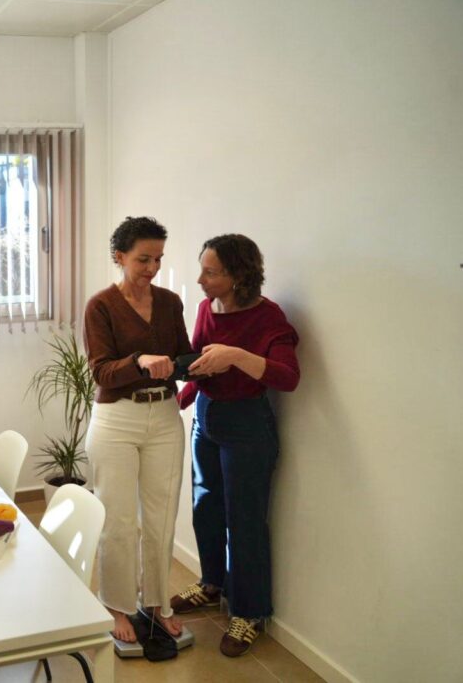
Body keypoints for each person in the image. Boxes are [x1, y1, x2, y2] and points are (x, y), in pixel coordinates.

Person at [172, 234, 300, 657]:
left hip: (247, 425)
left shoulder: (269, 317)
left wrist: (236, 355)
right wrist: (177, 404)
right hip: (207, 418)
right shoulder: (208, 308)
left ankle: (248, 613)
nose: (200, 279)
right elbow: (199, 365)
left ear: (238, 275)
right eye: (202, 269)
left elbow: (288, 376)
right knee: (205, 507)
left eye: (210, 272)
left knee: (244, 522)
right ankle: (212, 583)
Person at [83, 216, 193, 645]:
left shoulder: (169, 302)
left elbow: (181, 355)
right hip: (117, 420)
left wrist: (199, 362)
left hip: (164, 417)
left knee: (162, 519)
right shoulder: (101, 306)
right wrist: (140, 361)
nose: (152, 268)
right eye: (143, 259)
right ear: (120, 257)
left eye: (158, 259)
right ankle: (116, 604)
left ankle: (157, 604)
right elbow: (101, 372)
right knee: (119, 520)